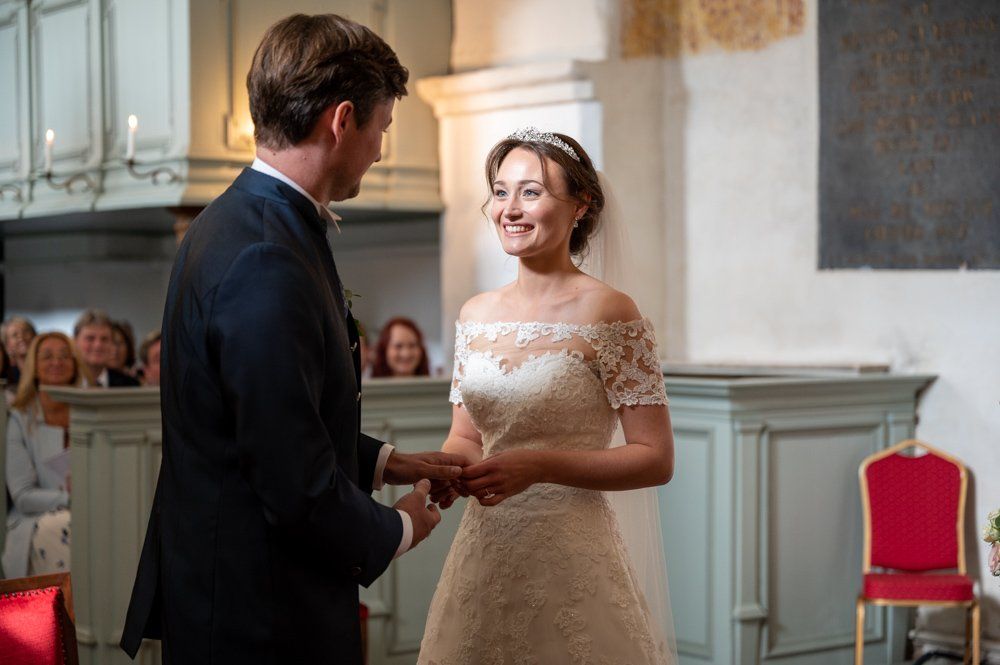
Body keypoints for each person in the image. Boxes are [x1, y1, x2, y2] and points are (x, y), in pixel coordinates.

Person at [120, 14, 467, 664]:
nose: (381, 150)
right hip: (261, 617)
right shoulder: (263, 255)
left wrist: (391, 462)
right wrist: (403, 525)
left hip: (241, 596)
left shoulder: (238, 221)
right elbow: (293, 483)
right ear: (341, 121)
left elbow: (266, 423)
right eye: (382, 128)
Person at [419, 128, 677, 664]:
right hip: (485, 549)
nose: (509, 208)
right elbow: (467, 435)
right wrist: (449, 469)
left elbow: (655, 459)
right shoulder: (474, 314)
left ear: (580, 205)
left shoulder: (610, 313)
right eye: (500, 190)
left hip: (572, 553)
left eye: (531, 192)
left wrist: (538, 465)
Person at [2, 332, 91, 578]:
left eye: (64, 356)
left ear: (74, 364)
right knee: (62, 526)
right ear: (35, 367)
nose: (57, 362)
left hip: (92, 510)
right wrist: (73, 500)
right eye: (48, 356)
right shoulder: (20, 418)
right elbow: (23, 496)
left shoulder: (90, 412)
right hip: (36, 519)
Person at [73, 309, 140, 387]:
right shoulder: (64, 383)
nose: (98, 345)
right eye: (90, 338)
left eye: (104, 339)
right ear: (75, 342)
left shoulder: (130, 385)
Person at [2, 315, 37, 387]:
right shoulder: (5, 374)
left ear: (34, 336)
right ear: (7, 345)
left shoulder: (46, 368)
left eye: (26, 331)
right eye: (15, 335)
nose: (21, 337)